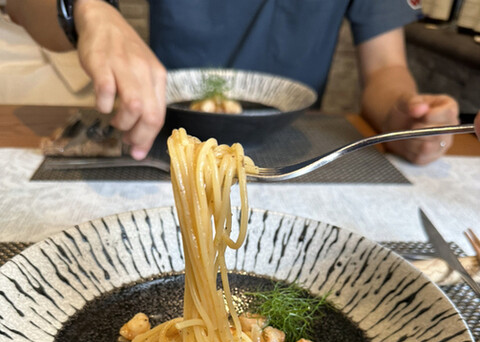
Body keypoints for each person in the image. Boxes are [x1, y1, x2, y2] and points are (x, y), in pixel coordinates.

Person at [6, 0, 460, 163]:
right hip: (158, 146)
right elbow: (23, 7)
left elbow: (384, 69)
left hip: (293, 154)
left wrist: (407, 113)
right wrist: (89, 9)